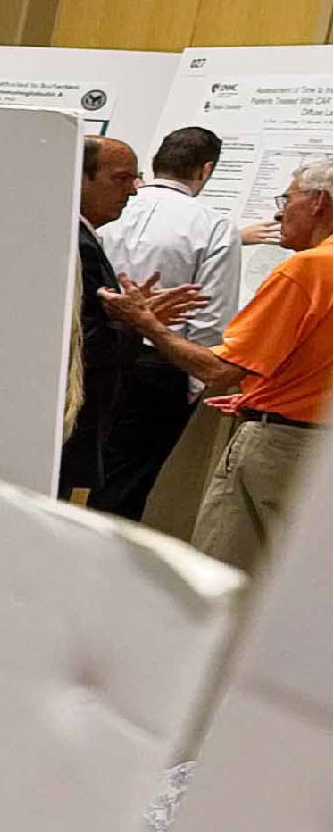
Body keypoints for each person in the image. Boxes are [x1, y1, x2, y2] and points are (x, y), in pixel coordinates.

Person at [106, 154, 331, 575]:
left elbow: (218, 370)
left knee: (224, 576)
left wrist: (146, 322)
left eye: (288, 197)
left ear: (318, 202)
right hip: (317, 448)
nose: (280, 210)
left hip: (278, 449)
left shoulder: (307, 269)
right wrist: (263, 393)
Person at [96, 124, 241, 521]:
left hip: (96, 355)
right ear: (205, 170)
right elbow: (212, 313)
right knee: (126, 485)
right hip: (161, 365)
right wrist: (195, 384)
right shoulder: (213, 226)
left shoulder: (107, 206)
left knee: (77, 466)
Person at [62, 134, 161, 506]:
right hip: (67, 421)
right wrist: (137, 323)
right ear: (80, 176)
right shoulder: (75, 243)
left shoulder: (81, 237)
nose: (133, 192)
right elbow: (83, 341)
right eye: (121, 179)